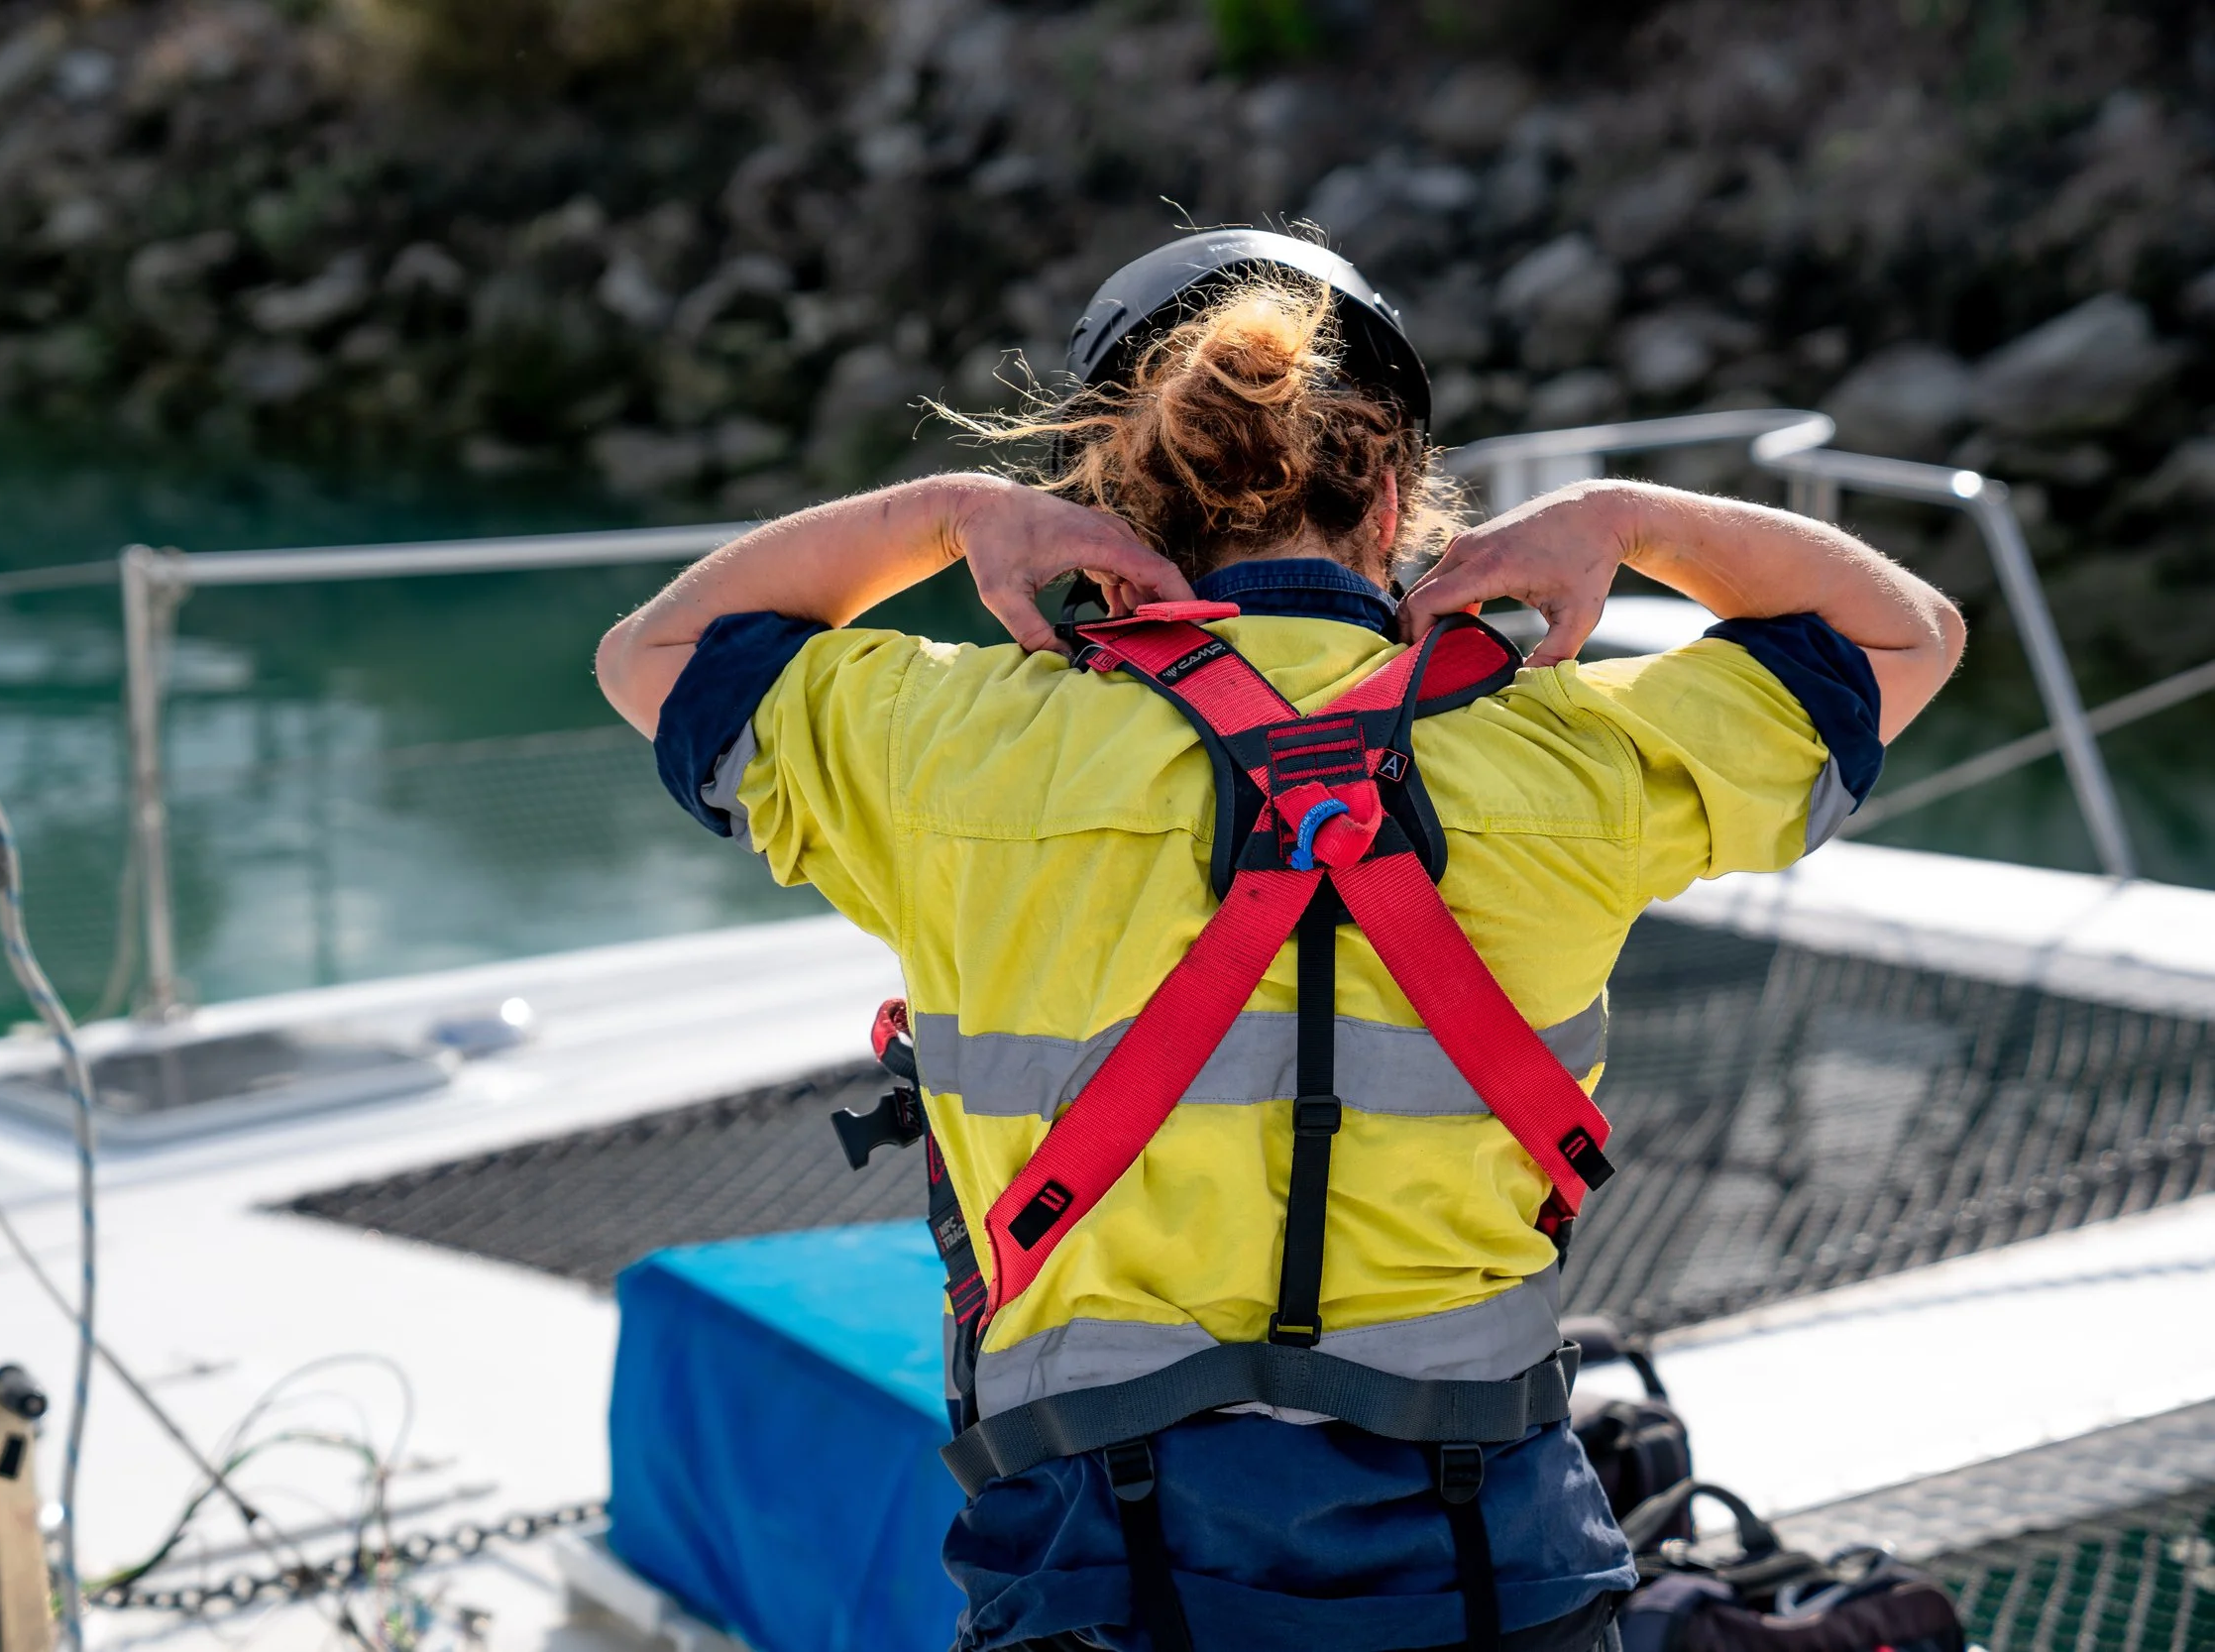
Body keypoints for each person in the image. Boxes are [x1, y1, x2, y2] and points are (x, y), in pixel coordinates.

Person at [595, 230, 1964, 1652]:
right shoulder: (1568, 753)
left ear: (1105, 510)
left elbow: (649, 659)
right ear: (1391, 505)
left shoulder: (958, 751)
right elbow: (1908, 634)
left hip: (1102, 1583)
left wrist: (950, 515)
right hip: (1495, 1573)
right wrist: (1626, 523)